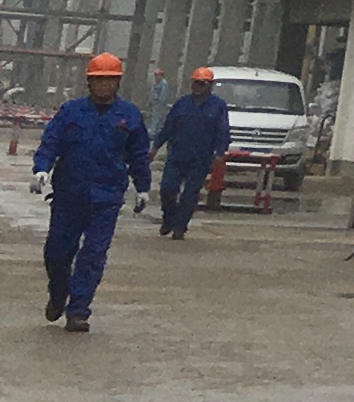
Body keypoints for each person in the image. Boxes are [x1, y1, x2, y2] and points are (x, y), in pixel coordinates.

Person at [30, 55, 145, 334]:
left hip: (106, 197)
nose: (103, 85)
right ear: (89, 82)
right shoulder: (71, 111)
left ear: (117, 82)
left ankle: (78, 311)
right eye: (98, 80)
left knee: (93, 254)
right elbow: (51, 141)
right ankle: (59, 293)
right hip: (69, 195)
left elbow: (139, 154)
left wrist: (143, 187)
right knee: (57, 253)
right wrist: (42, 168)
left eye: (109, 80)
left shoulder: (129, 115)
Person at [155, 68, 229, 240]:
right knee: (167, 188)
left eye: (202, 83)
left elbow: (222, 130)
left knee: (190, 194)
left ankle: (180, 227)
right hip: (177, 154)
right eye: (195, 82)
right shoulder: (182, 103)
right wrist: (155, 147)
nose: (198, 86)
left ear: (210, 85)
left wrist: (220, 152)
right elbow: (168, 127)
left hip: (200, 158)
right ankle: (169, 218)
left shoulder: (218, 106)